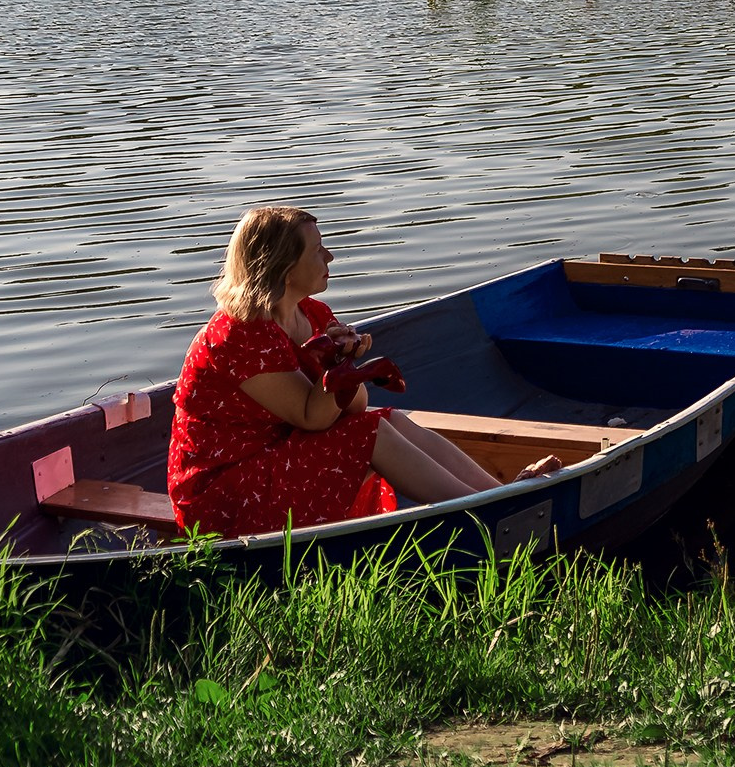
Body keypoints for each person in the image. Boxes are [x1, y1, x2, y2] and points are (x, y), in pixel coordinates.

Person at [167, 206, 558, 538]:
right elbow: (313, 416)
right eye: (318, 251)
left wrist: (343, 362)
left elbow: (356, 406)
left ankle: (501, 495)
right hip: (223, 494)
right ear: (286, 270)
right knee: (369, 433)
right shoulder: (240, 334)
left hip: (274, 461)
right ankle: (484, 514)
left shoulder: (312, 314)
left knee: (388, 419)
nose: (331, 257)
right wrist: (336, 367)